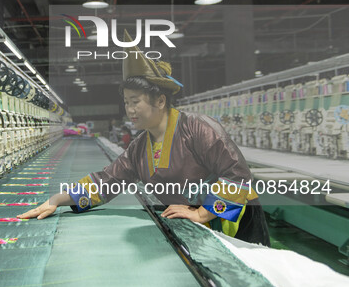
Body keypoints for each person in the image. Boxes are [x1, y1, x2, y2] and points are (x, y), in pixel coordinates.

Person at [18, 33, 270, 246]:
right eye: (126, 102)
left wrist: (204, 213)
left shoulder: (198, 128)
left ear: (160, 100)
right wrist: (56, 201)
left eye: (135, 101)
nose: (130, 109)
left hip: (236, 227)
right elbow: (106, 182)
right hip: (195, 228)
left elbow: (238, 176)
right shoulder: (139, 148)